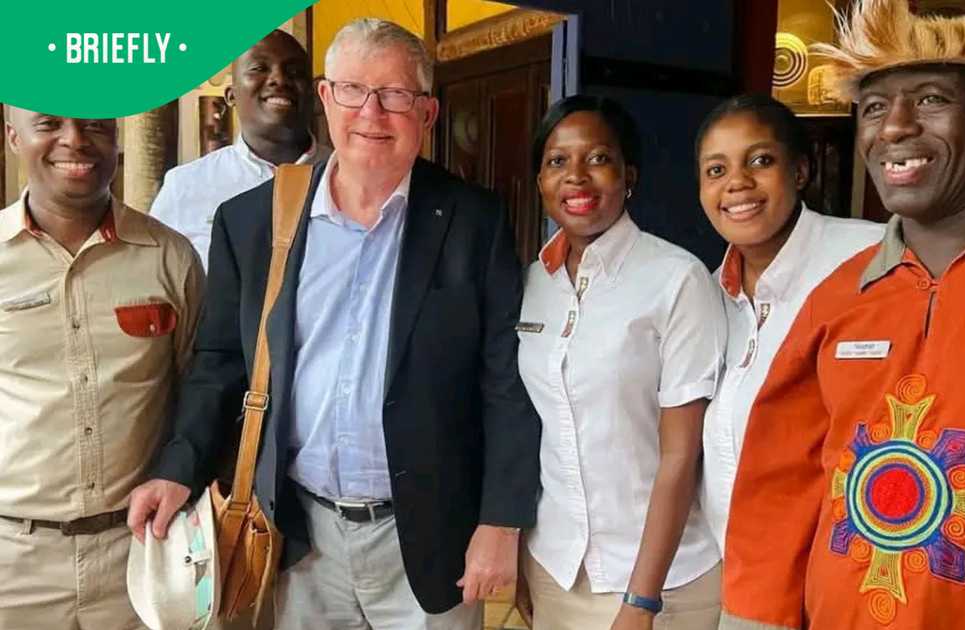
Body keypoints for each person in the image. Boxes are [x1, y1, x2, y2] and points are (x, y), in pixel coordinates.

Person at [128, 18, 540, 630]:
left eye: (395, 95)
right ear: (325, 99)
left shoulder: (471, 221)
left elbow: (505, 379)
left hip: (431, 535)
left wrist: (500, 521)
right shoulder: (252, 222)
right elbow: (220, 363)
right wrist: (176, 468)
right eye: (352, 90)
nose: (372, 112)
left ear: (426, 113)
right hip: (301, 535)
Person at [719, 1, 965, 628]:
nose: (894, 128)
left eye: (930, 99)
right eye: (875, 107)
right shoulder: (840, 297)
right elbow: (778, 497)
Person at [515, 95, 725, 630]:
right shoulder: (531, 282)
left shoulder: (677, 279)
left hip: (663, 582)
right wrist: (521, 555)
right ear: (539, 180)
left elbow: (682, 456)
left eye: (598, 159)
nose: (577, 178)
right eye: (557, 162)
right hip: (556, 570)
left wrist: (642, 600)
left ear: (629, 175)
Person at [0, 108, 203, 628]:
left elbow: (200, 395)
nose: (75, 140)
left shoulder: (169, 257)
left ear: (116, 135)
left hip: (141, 554)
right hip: (14, 564)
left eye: (94, 123)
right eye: (48, 124)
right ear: (12, 134)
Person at [694, 94, 882, 553]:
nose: (736, 183)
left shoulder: (871, 261)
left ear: (799, 171)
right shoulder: (709, 293)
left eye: (759, 160)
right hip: (735, 570)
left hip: (841, 567)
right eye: (716, 170)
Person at [150, 29, 328, 269]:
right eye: (259, 68)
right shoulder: (184, 187)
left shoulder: (351, 177)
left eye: (294, 72)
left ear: (315, 94)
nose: (279, 79)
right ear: (231, 96)